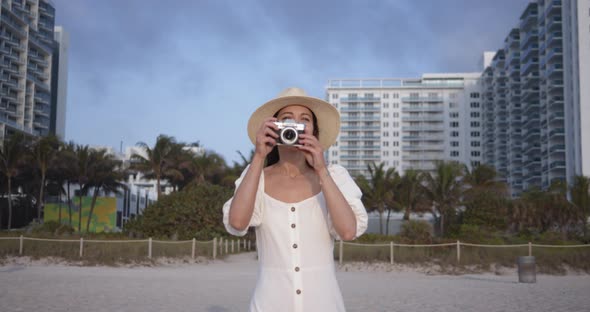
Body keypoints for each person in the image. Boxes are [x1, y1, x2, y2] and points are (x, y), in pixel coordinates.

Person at [222, 87, 368, 312]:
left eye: (304, 120)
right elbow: (237, 222)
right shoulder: (255, 178)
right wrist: (259, 155)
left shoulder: (334, 176)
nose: (293, 125)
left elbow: (348, 231)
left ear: (314, 131)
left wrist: (321, 169)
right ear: (274, 128)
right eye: (286, 119)